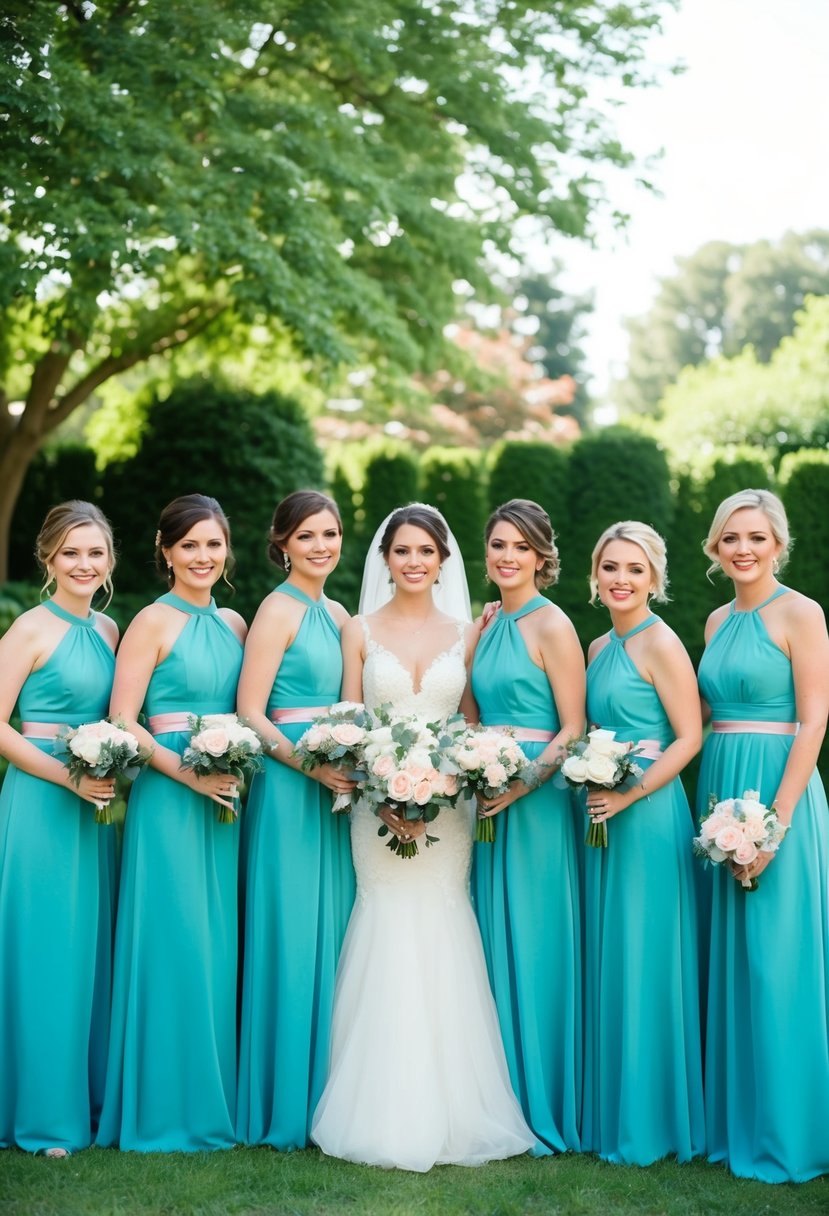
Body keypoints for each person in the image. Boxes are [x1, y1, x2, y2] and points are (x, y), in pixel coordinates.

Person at [311, 504, 533, 1171]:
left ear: (442, 560)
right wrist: (378, 793)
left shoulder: (469, 632)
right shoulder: (357, 629)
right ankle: (373, 1106)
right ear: (385, 560)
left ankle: (458, 1110)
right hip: (372, 813)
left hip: (449, 814)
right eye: (401, 551)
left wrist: (442, 790)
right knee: (382, 925)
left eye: (425, 552)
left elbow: (468, 729)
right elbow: (349, 723)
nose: (413, 562)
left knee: (441, 929)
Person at [97, 494, 246, 1152]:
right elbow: (124, 719)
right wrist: (191, 774)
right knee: (173, 941)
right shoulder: (151, 622)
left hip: (228, 801)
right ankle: (161, 1105)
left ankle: (213, 1093)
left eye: (212, 545)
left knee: (217, 945)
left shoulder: (239, 624)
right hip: (170, 798)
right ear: (165, 551)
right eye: (189, 545)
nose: (202, 557)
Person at [697, 488, 829, 1182]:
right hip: (719, 780)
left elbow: (812, 722)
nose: (742, 549)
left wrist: (771, 824)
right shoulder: (718, 617)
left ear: (777, 543)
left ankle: (792, 1130)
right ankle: (733, 1121)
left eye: (754, 537)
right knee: (729, 960)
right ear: (716, 549)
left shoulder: (800, 613)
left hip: (777, 789)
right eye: (729, 539)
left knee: (777, 960)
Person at [581, 521, 704, 1165]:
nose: (621, 580)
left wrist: (629, 795)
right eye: (610, 568)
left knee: (647, 956)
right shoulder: (599, 644)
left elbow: (688, 737)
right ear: (595, 576)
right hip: (600, 812)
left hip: (649, 813)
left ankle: (652, 1118)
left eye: (634, 569)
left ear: (655, 577)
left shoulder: (662, 643)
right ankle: (611, 1110)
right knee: (611, 953)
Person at [236, 490, 355, 1150]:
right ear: (281, 543)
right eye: (306, 535)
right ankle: (282, 1100)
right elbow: (251, 709)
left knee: (332, 934)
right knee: (289, 936)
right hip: (289, 789)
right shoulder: (276, 609)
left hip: (335, 786)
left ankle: (327, 1094)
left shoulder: (338, 613)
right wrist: (308, 765)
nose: (320, 546)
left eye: (330, 534)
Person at [0, 502, 118, 1157]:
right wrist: (64, 776)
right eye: (71, 553)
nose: (84, 565)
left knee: (84, 955)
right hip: (44, 805)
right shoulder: (29, 628)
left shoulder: (106, 629)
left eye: (95, 553)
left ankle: (86, 1099)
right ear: (48, 559)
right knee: (44, 950)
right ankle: (41, 1117)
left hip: (95, 810)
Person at [471, 499, 584, 1154]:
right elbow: (469, 711)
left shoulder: (552, 625)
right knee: (488, 942)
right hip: (484, 799)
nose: (506, 557)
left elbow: (572, 728)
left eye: (519, 547)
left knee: (535, 942)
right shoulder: (487, 624)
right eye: (497, 546)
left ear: (541, 556)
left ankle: (541, 1094)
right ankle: (495, 1092)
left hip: (534, 805)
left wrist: (524, 781)